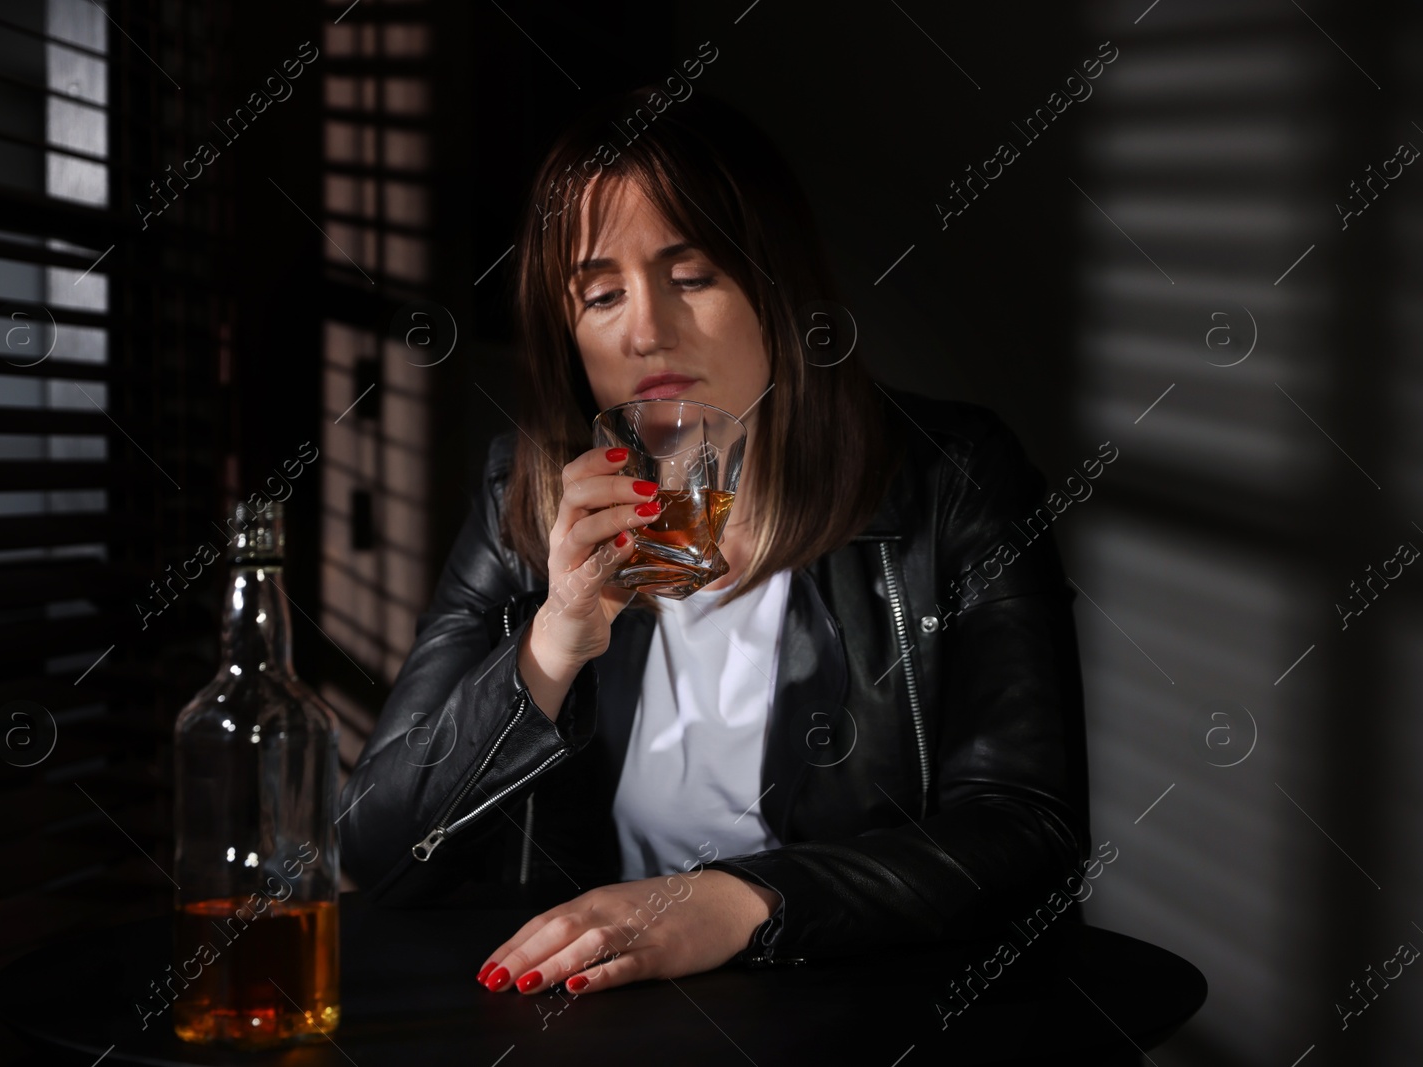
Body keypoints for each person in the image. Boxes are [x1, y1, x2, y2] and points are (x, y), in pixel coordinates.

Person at [338, 87, 1089, 1000]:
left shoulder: (950, 477)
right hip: (612, 1026)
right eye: (602, 293)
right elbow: (381, 850)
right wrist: (553, 640)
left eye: (692, 277)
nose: (647, 328)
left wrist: (738, 902)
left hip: (874, 1018)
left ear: (776, 288)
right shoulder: (523, 494)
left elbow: (1029, 831)